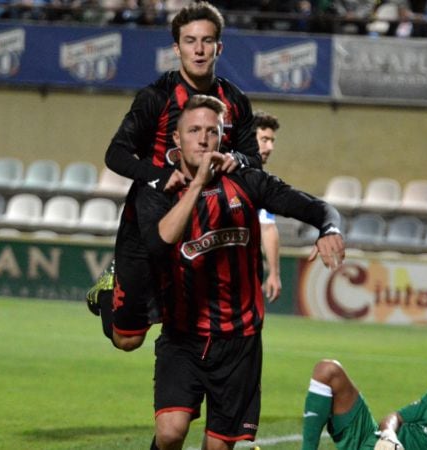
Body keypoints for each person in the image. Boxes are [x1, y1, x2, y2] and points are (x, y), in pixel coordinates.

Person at [136, 95, 346, 450]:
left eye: (211, 132)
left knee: (219, 447)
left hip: (240, 341)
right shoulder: (157, 188)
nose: (203, 139)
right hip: (183, 336)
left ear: (222, 138)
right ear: (176, 137)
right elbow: (159, 242)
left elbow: (317, 207)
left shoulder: (247, 181)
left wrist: (330, 229)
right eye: (194, 131)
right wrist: (199, 182)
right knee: (171, 431)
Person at [86, 1, 262, 352]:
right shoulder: (156, 98)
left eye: (207, 41)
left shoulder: (236, 101)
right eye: (190, 41)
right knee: (127, 339)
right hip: (148, 225)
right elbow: (116, 153)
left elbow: (253, 159)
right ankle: (108, 289)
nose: (199, 49)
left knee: (195, 321)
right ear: (176, 47)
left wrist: (236, 160)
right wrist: (157, 176)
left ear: (219, 47)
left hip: (203, 226)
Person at [254, 110, 282, 302]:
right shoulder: (220, 171)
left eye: (272, 141)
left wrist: (274, 272)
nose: (270, 147)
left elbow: (268, 225)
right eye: (264, 139)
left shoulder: (262, 183)